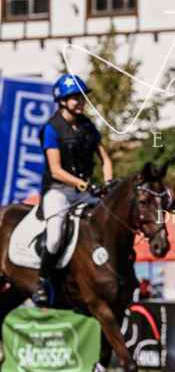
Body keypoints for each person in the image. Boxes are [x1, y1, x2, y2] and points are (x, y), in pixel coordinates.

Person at [32, 74, 113, 308]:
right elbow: (56, 170)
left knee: (110, 222)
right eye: (75, 97)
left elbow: (105, 159)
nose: (80, 101)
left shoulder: (88, 125)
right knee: (55, 236)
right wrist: (85, 186)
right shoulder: (51, 128)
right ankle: (43, 282)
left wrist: (107, 182)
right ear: (62, 100)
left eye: (81, 96)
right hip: (58, 191)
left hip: (84, 191)